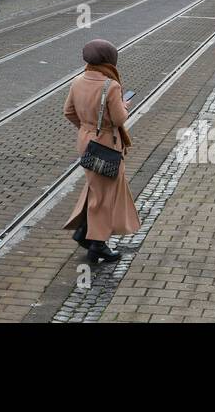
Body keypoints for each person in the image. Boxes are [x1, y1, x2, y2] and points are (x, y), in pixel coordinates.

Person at [63, 39, 140, 265]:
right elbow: (118, 119)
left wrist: (86, 129)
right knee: (103, 196)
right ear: (109, 61)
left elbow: (68, 111)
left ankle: (85, 233)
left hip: (86, 141)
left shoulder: (77, 81)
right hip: (106, 143)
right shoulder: (111, 86)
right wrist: (124, 106)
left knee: (97, 190)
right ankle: (97, 244)